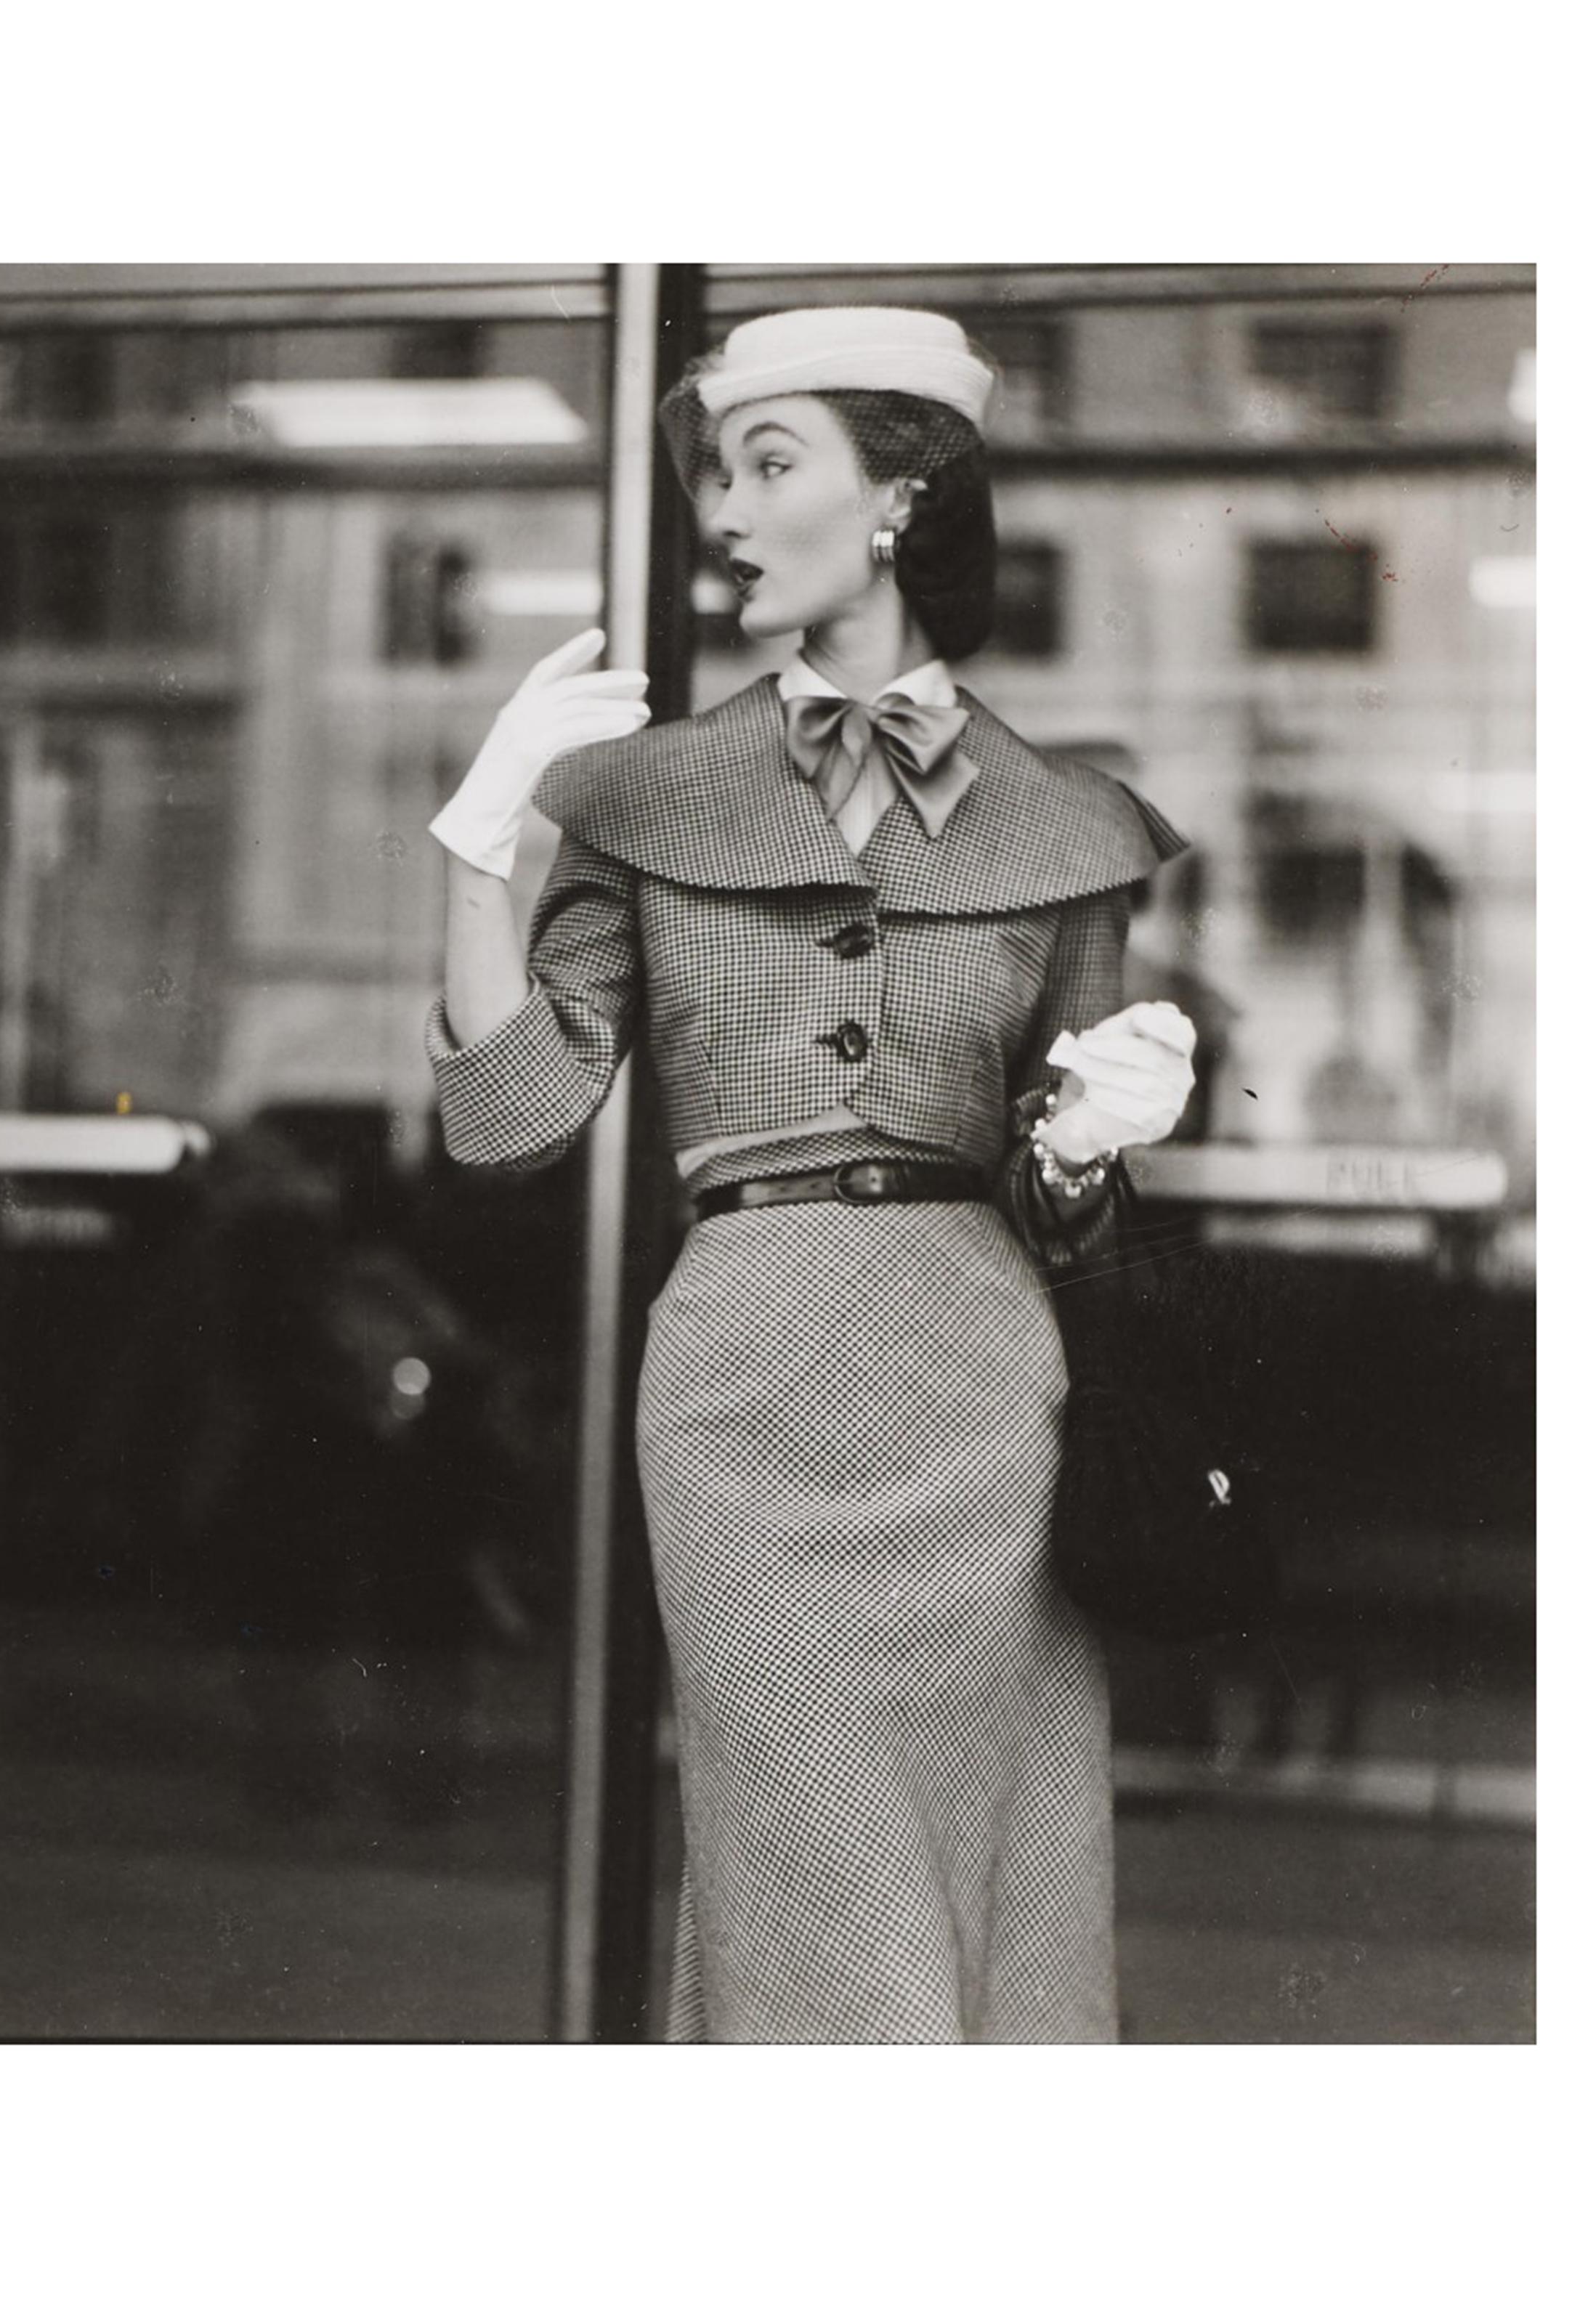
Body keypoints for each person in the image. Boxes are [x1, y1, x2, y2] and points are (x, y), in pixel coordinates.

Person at [424, 306, 1197, 2044]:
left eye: (768, 463)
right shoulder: (644, 796)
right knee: (818, 1870)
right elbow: (513, 1115)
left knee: (993, 1880)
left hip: (985, 1397)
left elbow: (1063, 1203)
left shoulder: (1067, 822)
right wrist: (478, 856)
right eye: (716, 471)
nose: (724, 509)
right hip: (743, 1393)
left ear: (901, 496)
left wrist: (1084, 1145)